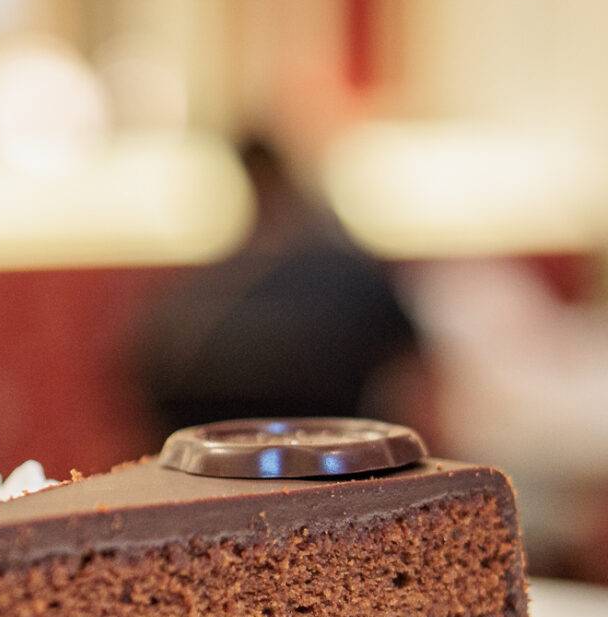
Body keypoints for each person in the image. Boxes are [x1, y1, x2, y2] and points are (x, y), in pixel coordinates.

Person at [134, 134, 421, 434]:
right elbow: (413, 371)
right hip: (326, 443)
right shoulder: (344, 270)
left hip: (205, 441)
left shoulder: (204, 285)